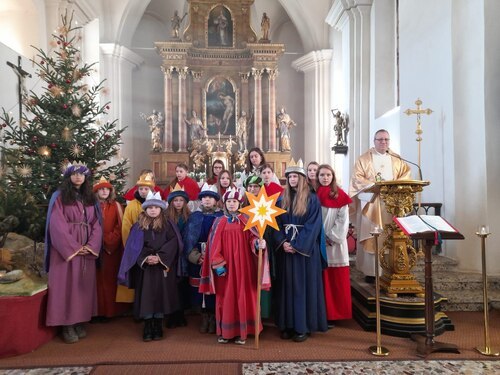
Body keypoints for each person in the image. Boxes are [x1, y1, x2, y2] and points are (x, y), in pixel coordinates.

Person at [199, 188, 269, 345]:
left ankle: (242, 332)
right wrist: (217, 263)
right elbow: (214, 245)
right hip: (226, 268)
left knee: (243, 296)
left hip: (244, 266)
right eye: (229, 201)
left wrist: (258, 243)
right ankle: (226, 332)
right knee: (226, 298)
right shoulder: (219, 222)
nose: (231, 204)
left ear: (240, 203)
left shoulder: (247, 220)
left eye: (234, 201)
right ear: (224, 203)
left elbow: (253, 238)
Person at [44, 162, 102, 344]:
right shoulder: (59, 197)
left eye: (81, 174)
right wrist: (74, 247)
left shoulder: (90, 197)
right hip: (66, 250)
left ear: (86, 177)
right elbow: (56, 224)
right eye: (74, 174)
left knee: (81, 286)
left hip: (86, 248)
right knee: (65, 285)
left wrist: (91, 245)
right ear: (68, 176)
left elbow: (97, 224)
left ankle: (78, 320)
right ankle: (66, 324)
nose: (78, 177)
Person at [273, 164, 328, 342]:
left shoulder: (312, 200)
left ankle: (302, 327)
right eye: (290, 177)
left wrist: (296, 245)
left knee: (301, 288)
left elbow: (313, 226)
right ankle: (287, 325)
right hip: (286, 250)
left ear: (303, 179)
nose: (292, 180)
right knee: (286, 287)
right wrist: (282, 242)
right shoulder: (282, 199)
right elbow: (275, 223)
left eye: (295, 176)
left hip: (304, 252)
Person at [118, 192, 183, 342]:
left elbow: (174, 243)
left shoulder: (168, 225)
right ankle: (148, 324)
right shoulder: (138, 226)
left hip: (161, 267)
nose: (153, 210)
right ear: (145, 209)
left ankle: (158, 324)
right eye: (150, 207)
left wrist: (159, 257)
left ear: (161, 209)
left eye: (156, 207)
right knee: (146, 295)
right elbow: (133, 247)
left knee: (161, 294)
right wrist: (146, 257)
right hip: (145, 269)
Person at [349, 129, 411, 282]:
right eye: (380, 139)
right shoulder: (364, 159)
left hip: (392, 204)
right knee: (373, 236)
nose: (383, 142)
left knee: (390, 236)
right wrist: (374, 185)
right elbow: (356, 179)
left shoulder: (397, 159)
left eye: (386, 140)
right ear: (374, 141)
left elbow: (406, 175)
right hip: (372, 203)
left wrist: (392, 186)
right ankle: (372, 272)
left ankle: (391, 269)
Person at [182, 183, 223, 334]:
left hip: (215, 256)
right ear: (200, 200)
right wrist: (196, 256)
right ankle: (204, 316)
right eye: (204, 197)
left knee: (214, 288)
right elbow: (187, 239)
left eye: (210, 197)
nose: (207, 200)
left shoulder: (221, 217)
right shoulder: (194, 217)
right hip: (197, 257)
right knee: (199, 290)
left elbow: (224, 239)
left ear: (215, 201)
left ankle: (213, 316)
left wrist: (215, 257)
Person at [316, 164, 353, 323]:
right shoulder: (314, 194)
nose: (325, 178)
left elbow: (343, 220)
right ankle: (323, 312)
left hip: (335, 244)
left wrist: (330, 237)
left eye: (328, 175)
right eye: (322, 175)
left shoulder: (340, 195)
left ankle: (337, 313)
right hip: (317, 243)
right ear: (317, 177)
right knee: (322, 278)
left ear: (332, 177)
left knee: (336, 280)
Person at [93, 176, 129, 320]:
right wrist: (94, 242)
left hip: (110, 250)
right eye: (101, 189)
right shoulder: (90, 206)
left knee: (109, 280)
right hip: (93, 248)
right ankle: (97, 312)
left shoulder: (116, 206)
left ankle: (111, 311)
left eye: (106, 189)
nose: (104, 191)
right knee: (96, 281)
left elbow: (120, 226)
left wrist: (108, 241)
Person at [165, 184, 191, 328]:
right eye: (175, 200)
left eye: (181, 200)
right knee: (171, 284)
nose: (178, 203)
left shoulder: (189, 216)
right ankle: (171, 314)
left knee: (182, 284)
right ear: (171, 202)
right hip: (171, 254)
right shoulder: (166, 217)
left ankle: (181, 313)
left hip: (184, 254)